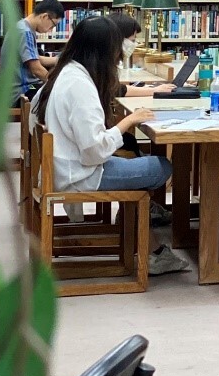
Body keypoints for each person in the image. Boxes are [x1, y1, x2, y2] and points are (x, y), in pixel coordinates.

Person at [32, 16, 188, 275]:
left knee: (139, 163)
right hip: (81, 172)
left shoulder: (69, 72)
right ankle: (142, 242)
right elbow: (94, 150)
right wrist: (128, 121)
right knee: (160, 167)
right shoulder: (80, 86)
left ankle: (141, 238)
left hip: (67, 165)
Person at [105, 12, 174, 97]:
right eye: (132, 40)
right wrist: (154, 90)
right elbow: (115, 90)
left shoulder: (105, 60)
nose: (135, 44)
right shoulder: (101, 63)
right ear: (118, 39)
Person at [17, 0, 64, 102]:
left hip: (26, 86)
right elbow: (36, 69)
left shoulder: (22, 27)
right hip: (21, 90)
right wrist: (57, 84)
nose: (51, 30)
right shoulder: (25, 32)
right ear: (45, 17)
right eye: (53, 25)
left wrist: (60, 59)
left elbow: (35, 58)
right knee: (60, 96)